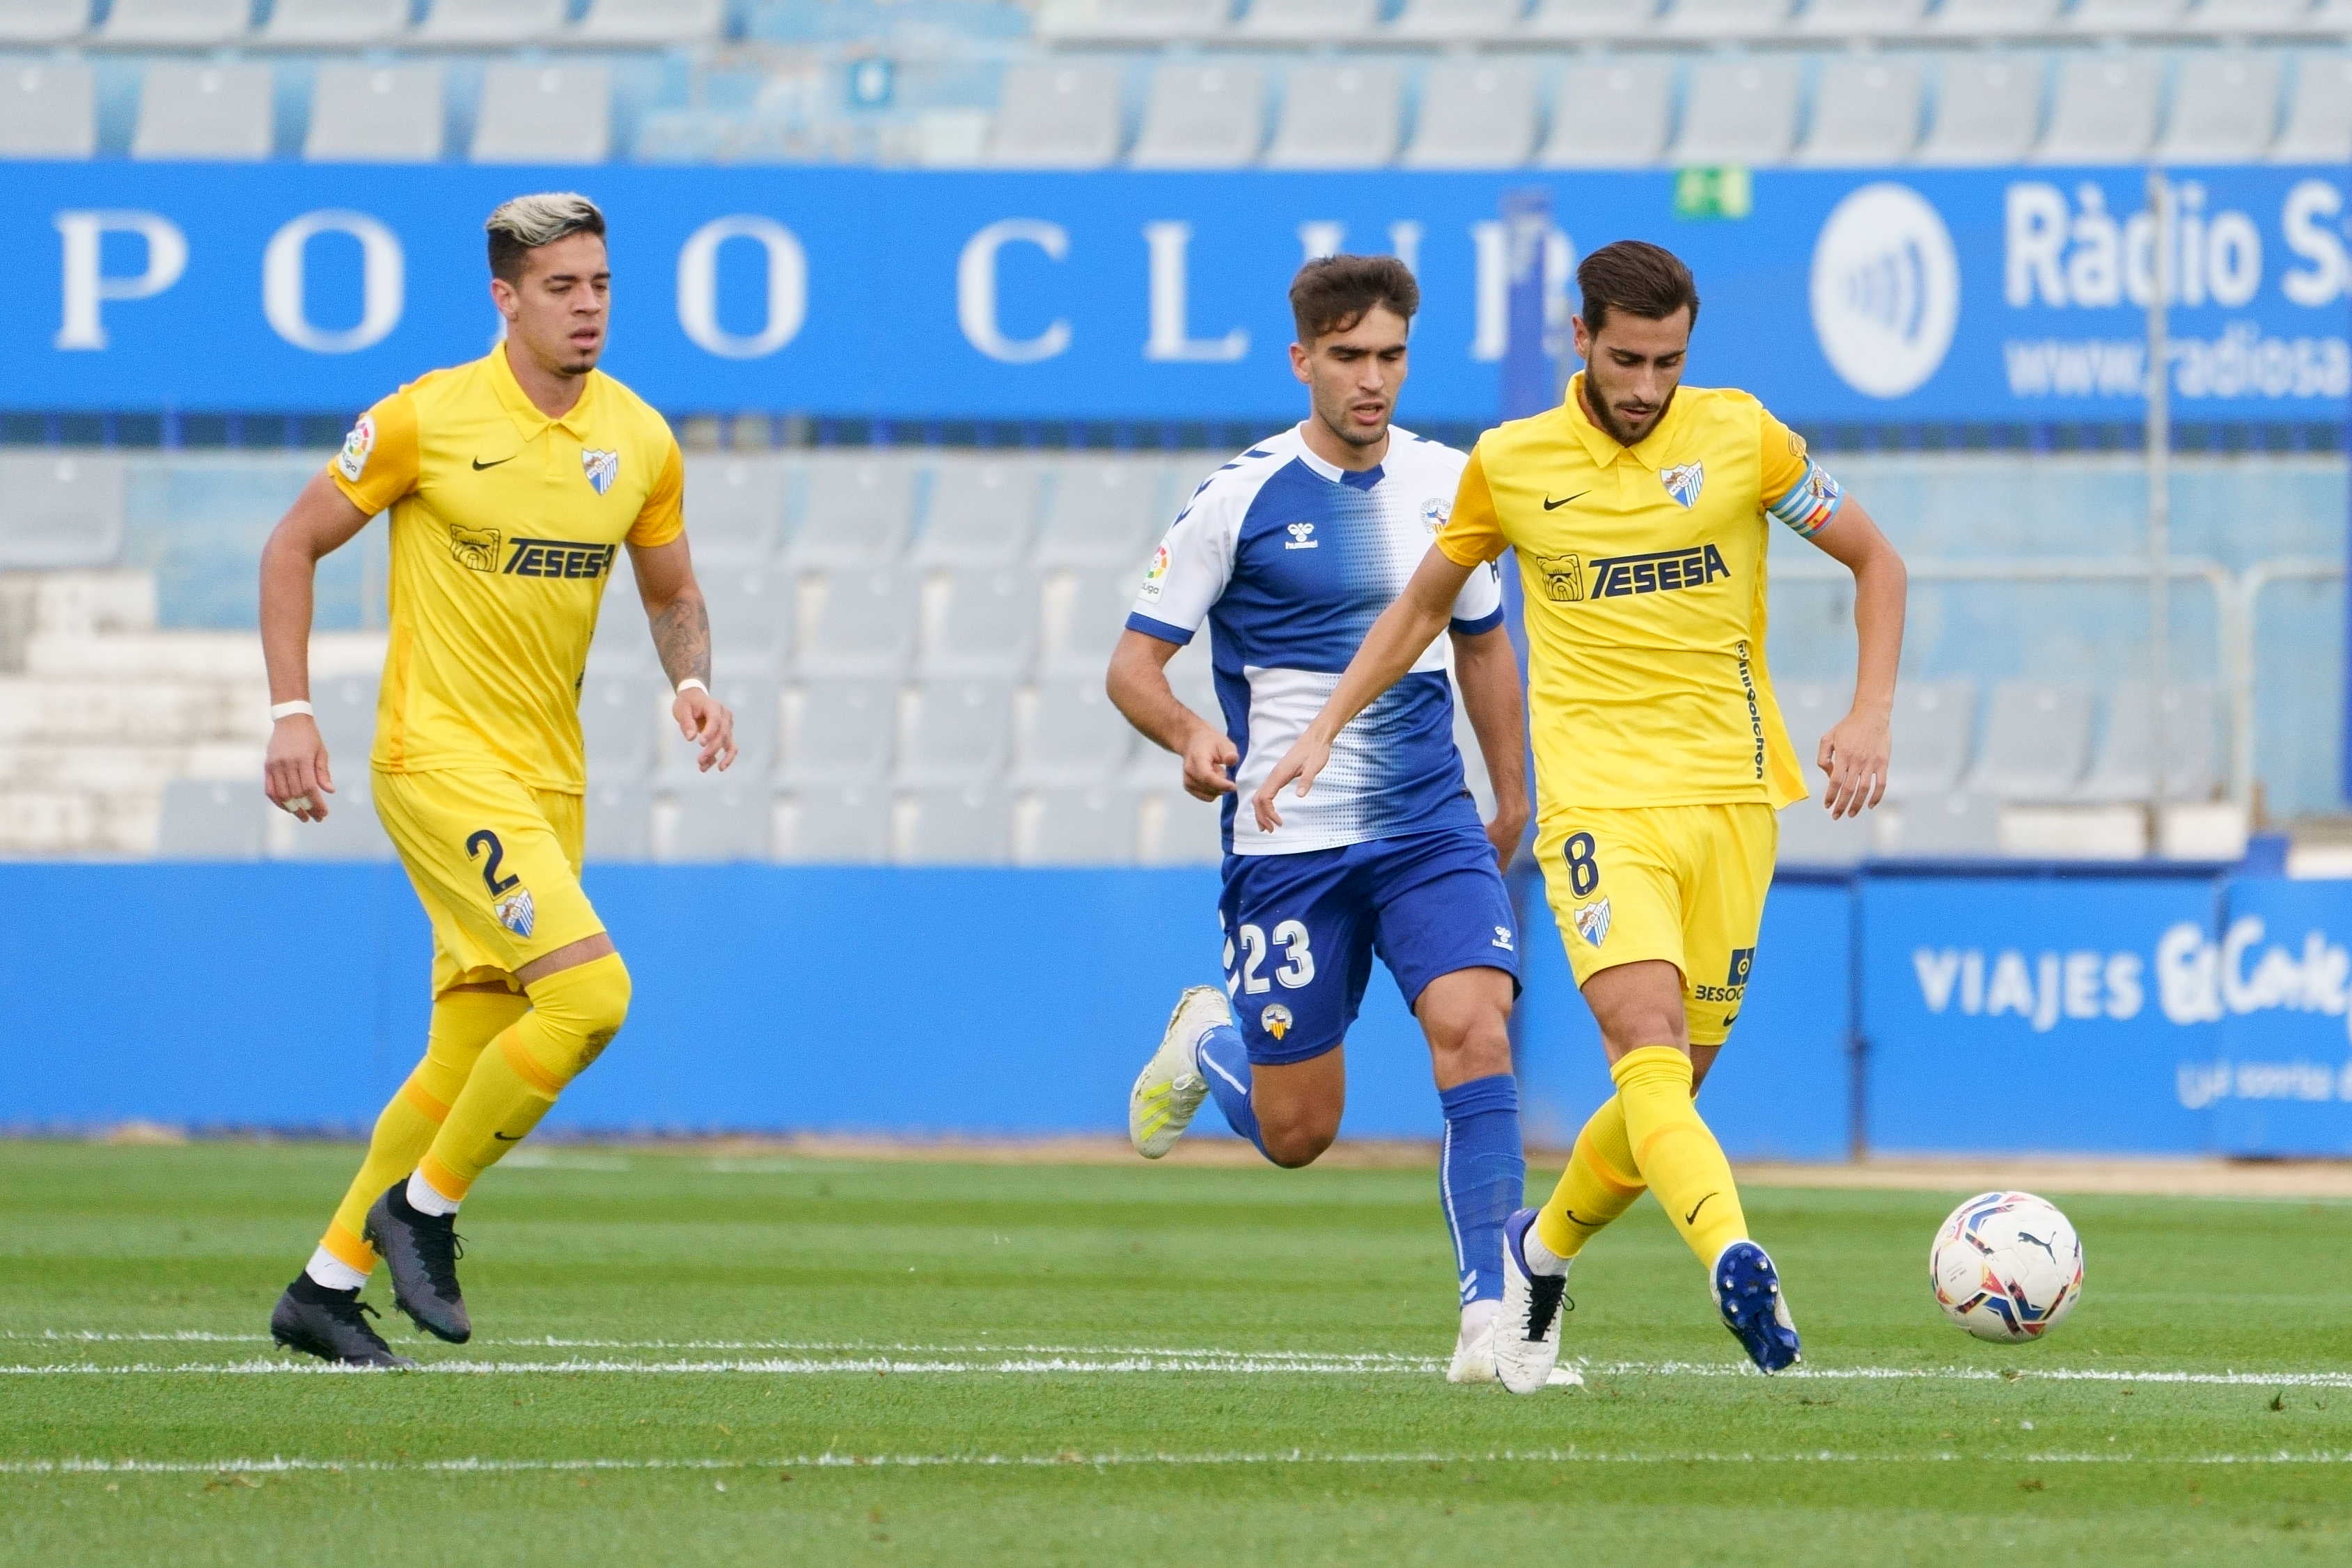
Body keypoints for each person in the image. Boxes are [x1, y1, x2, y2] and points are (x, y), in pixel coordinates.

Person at [1253, 240, 1907, 1389]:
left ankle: (1537, 1254)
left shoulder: (1745, 437)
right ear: (1579, 340)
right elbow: (1421, 609)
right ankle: (1734, 1257)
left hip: (1737, 804)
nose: (1646, 387)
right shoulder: (1511, 465)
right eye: (1625, 359)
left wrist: (1868, 715)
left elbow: (1876, 561)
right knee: (1645, 1049)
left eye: (1666, 362)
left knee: (1665, 1095)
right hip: (1601, 809)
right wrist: (1323, 728)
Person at [258, 192, 735, 1367]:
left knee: (468, 1050)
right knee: (592, 998)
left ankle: (323, 1290)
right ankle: (422, 1210)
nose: (587, 308)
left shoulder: (639, 438)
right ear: (505, 299)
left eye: (602, 286)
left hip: (548, 783)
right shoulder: (425, 419)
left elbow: (671, 592)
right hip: (435, 759)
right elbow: (292, 543)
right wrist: (290, 712)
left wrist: (691, 682)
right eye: (563, 288)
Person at [1108, 256, 1533, 1383]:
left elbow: (1485, 643)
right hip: (1286, 842)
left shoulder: (1453, 482)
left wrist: (1513, 794)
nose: (1372, 379)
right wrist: (1193, 736)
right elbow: (1133, 667)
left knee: (1476, 1029)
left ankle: (1495, 1323)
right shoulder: (1235, 499)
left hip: (1426, 822)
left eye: (1390, 356)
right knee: (1300, 1134)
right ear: (1302, 361)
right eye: (1348, 357)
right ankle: (1209, 1033)